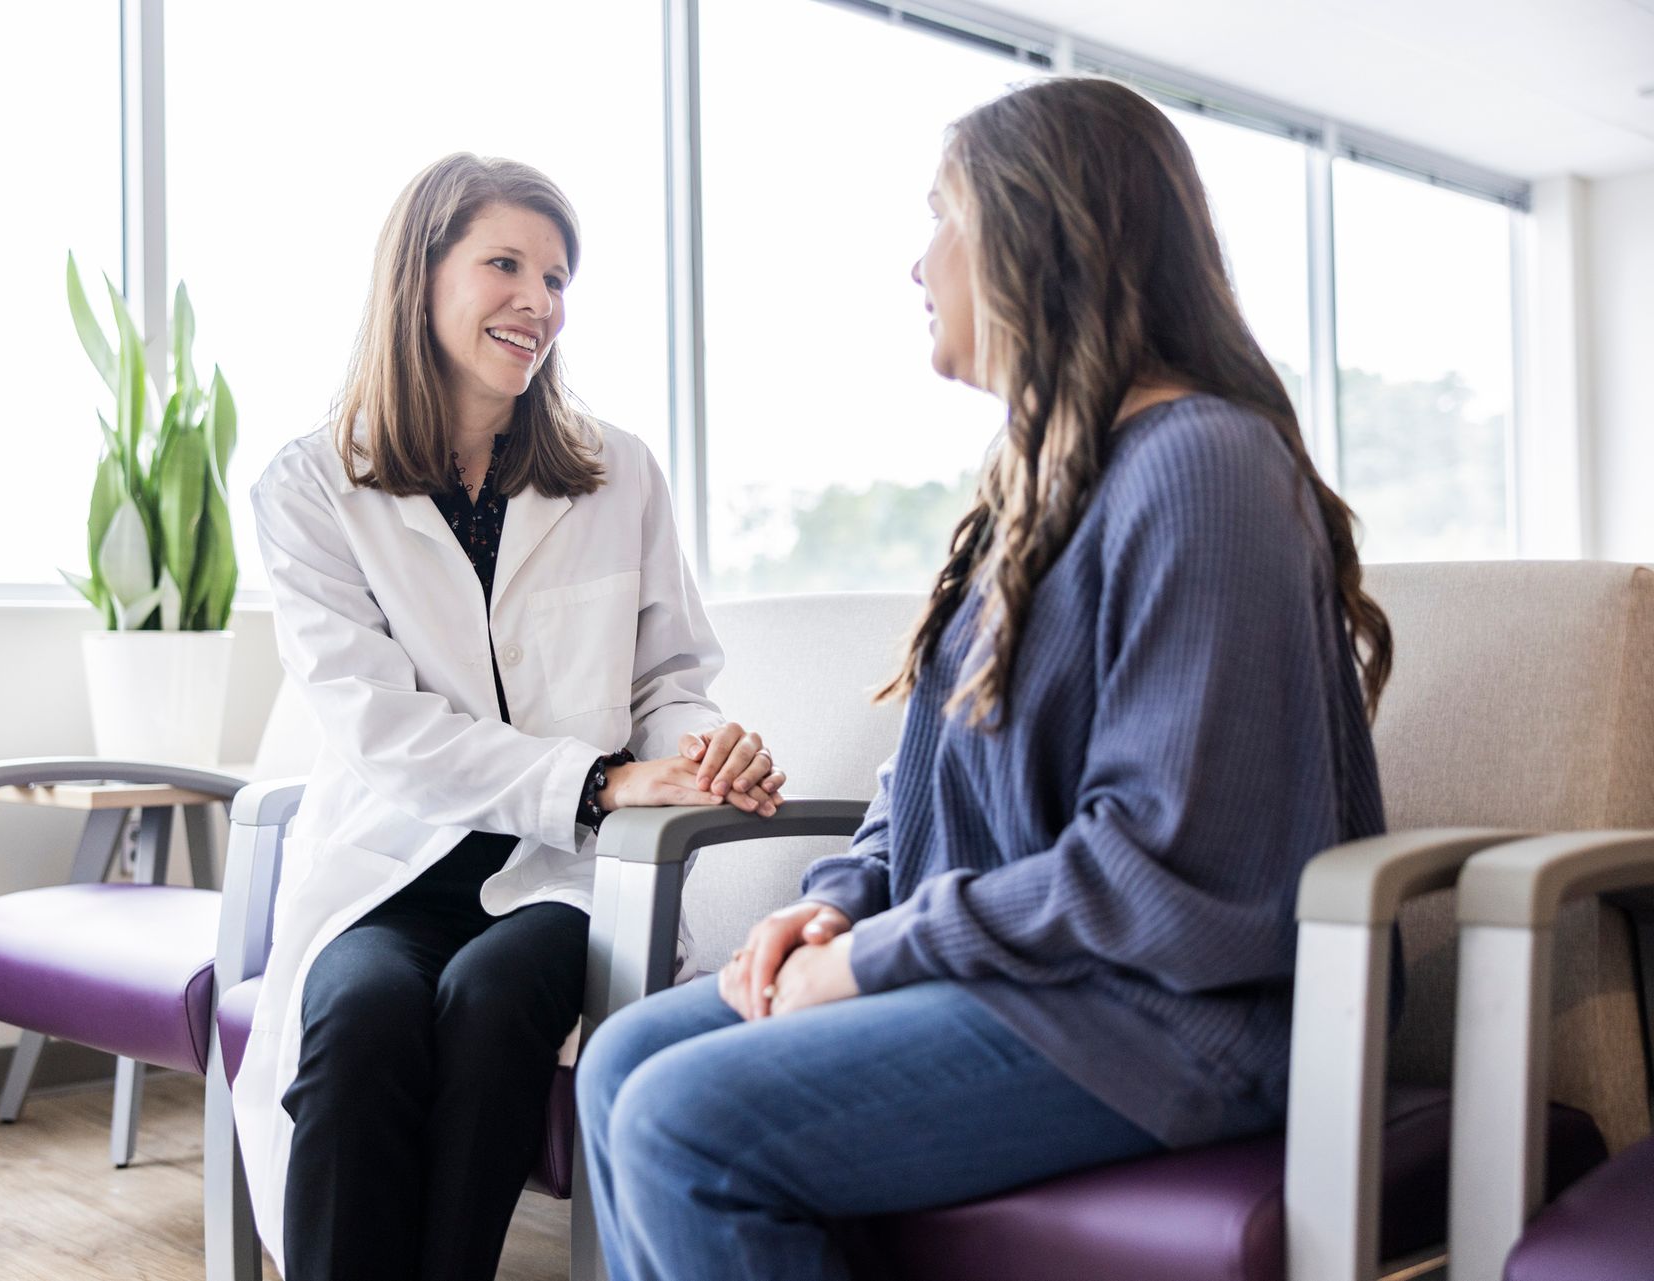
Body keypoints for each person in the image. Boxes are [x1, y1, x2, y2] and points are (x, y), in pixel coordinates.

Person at [575, 76, 1393, 1281]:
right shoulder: (1033, 490)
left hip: (1173, 1016)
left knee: (679, 1120)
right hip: (1034, 978)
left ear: (1039, 233)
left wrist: (865, 961)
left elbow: (1164, 865)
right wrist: (846, 900)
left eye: (941, 217)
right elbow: (927, 777)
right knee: (620, 1061)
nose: (919, 265)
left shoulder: (1204, 467)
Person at [231, 152, 786, 1281]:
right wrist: (597, 778)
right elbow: (376, 727)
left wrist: (698, 748)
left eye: (558, 276)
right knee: (361, 1023)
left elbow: (669, 674)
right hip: (390, 865)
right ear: (419, 276)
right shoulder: (308, 487)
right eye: (506, 265)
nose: (541, 301)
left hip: (567, 874)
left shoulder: (616, 474)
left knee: (491, 1005)